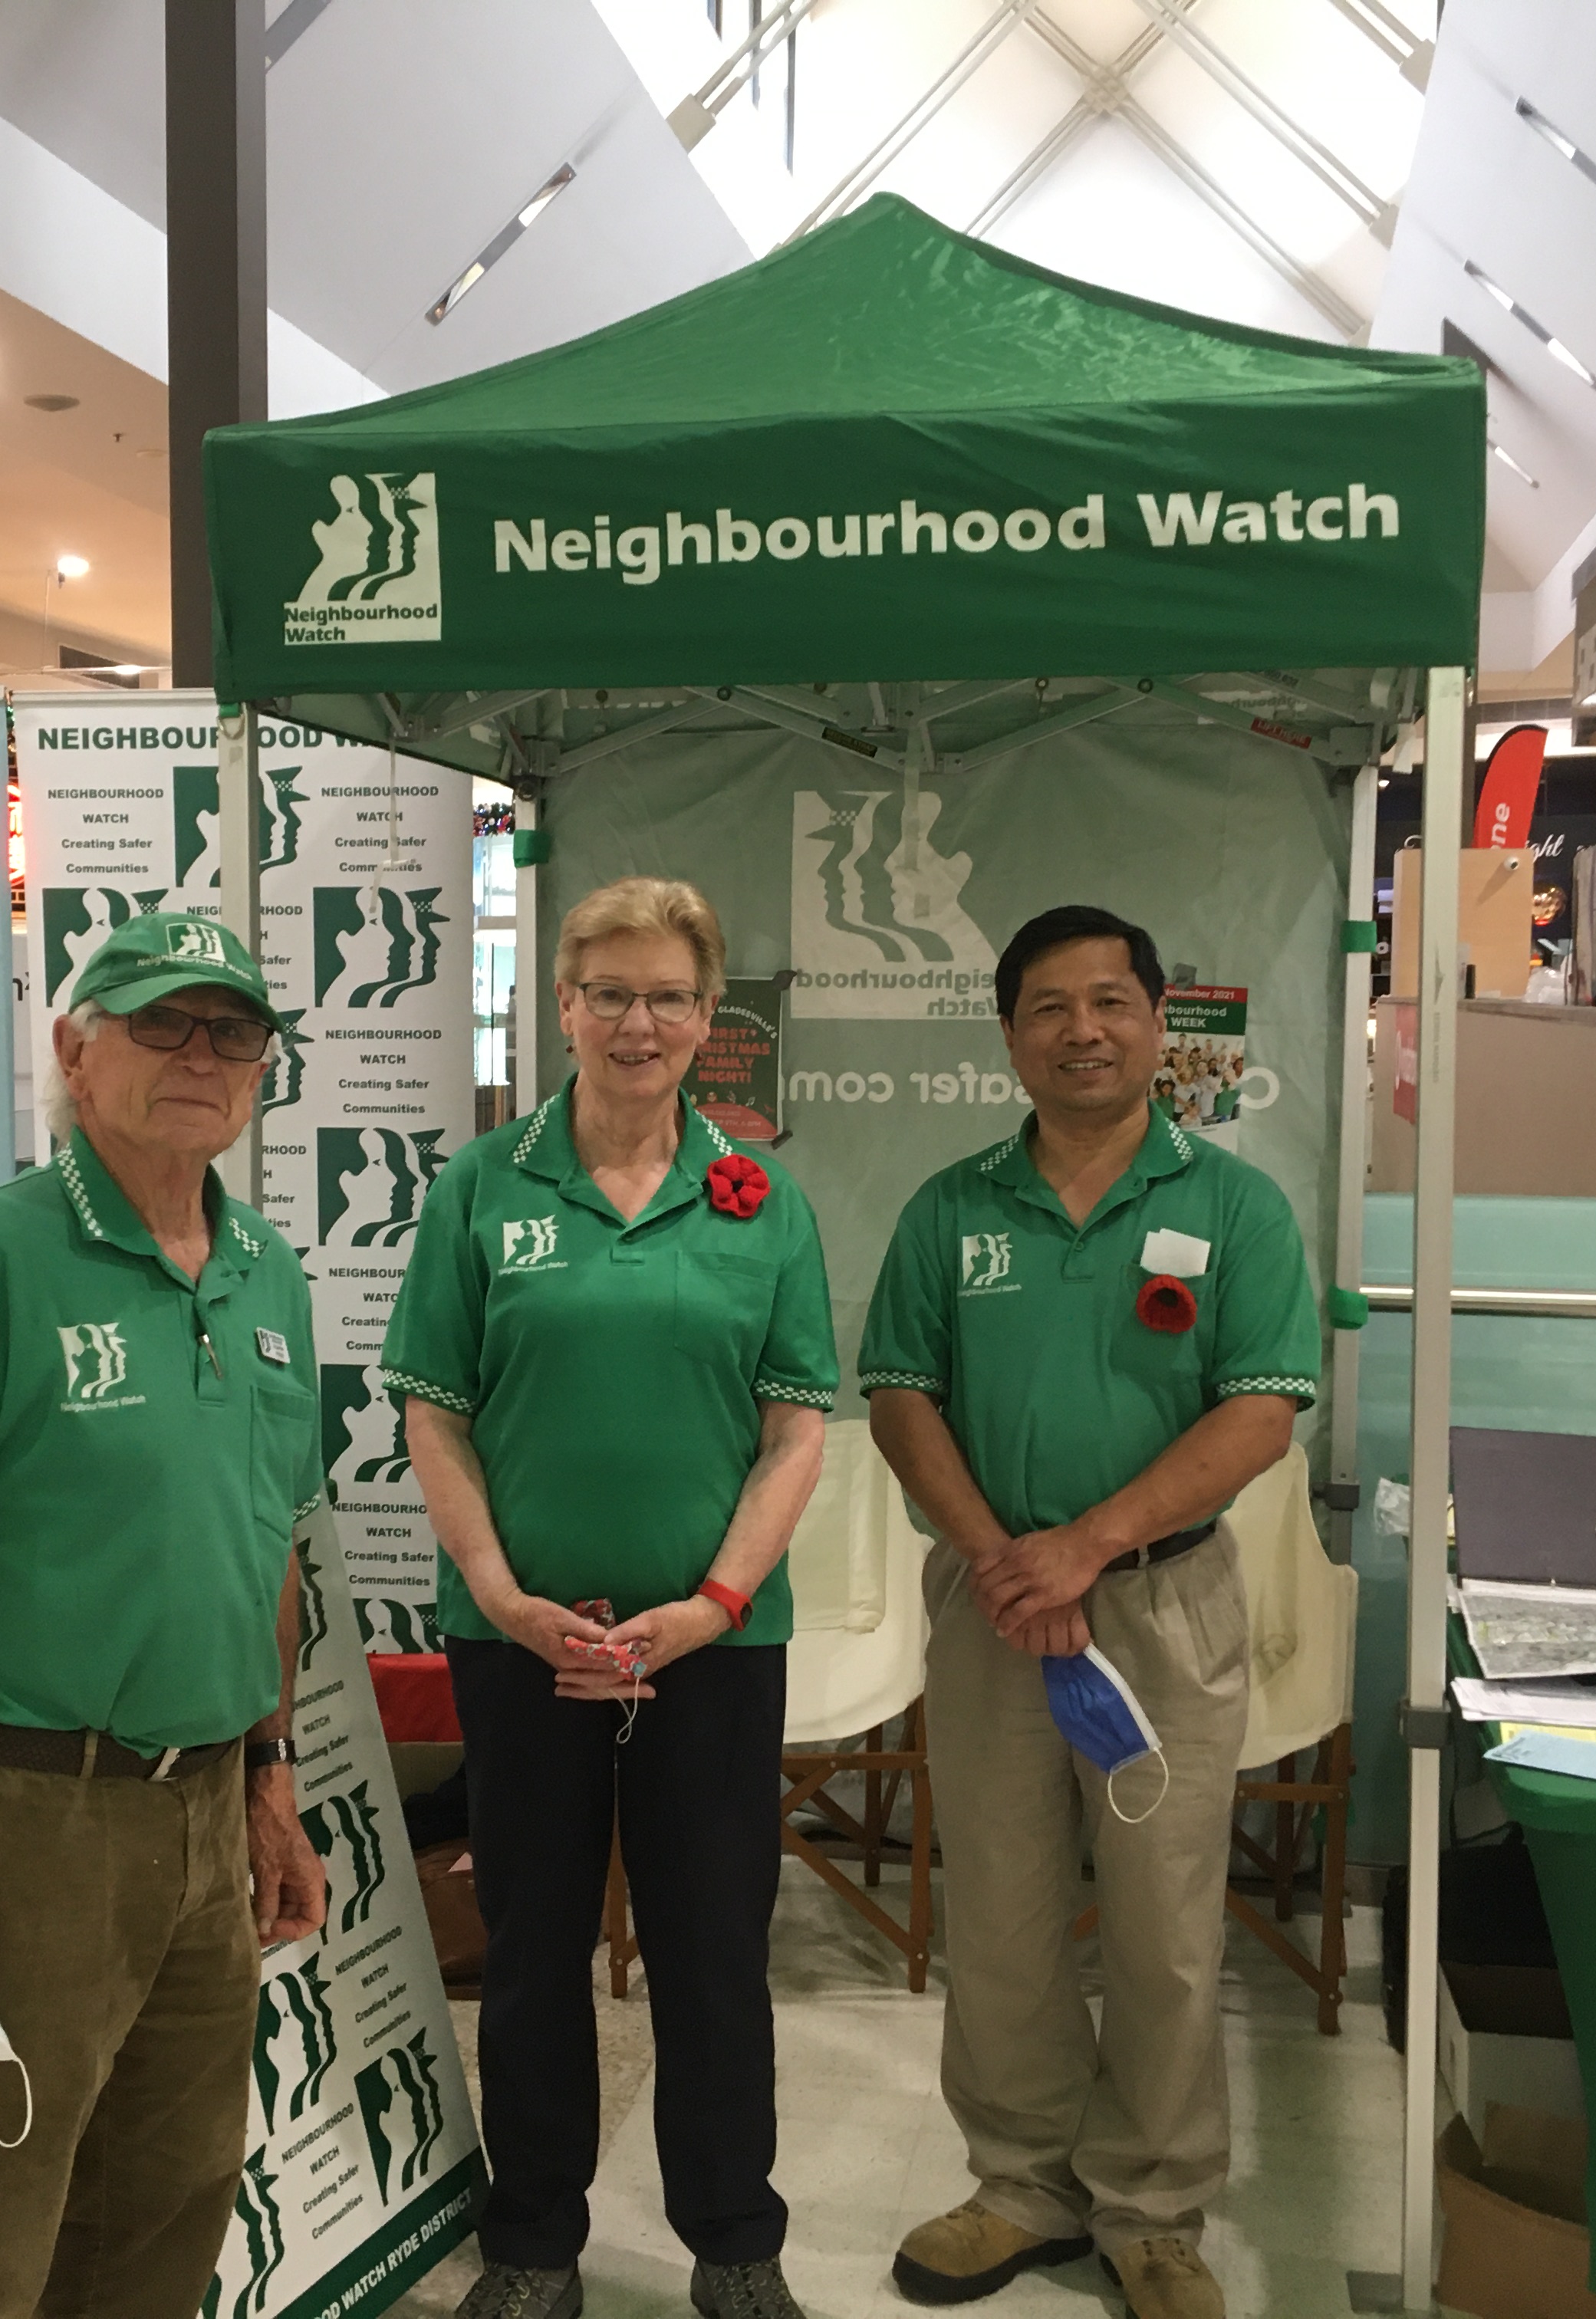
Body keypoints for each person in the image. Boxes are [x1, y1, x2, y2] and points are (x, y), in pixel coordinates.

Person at [0, 910, 329, 2319]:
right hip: (21, 1818)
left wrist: (269, 1780)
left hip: (203, 1816)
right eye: (160, 1020)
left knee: (162, 2218)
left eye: (232, 1031)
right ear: (74, 1048)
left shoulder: (267, 1273)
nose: (201, 1055)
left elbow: (264, 1548)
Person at [382, 875, 835, 2319]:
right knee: (529, 1952)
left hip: (710, 1646)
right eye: (610, 993)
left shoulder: (760, 1200)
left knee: (713, 1953)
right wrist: (503, 1593)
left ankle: (734, 2242)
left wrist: (711, 1600)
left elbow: (796, 1424)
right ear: (561, 1002)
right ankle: (531, 2245)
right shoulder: (481, 1188)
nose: (639, 1022)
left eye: (671, 997)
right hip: (523, 1645)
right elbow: (434, 1411)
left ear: (712, 1020)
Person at [863, 906, 1318, 2319]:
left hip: (1163, 1605)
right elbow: (898, 1393)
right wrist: (1009, 1558)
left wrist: (1089, 1546)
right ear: (1010, 1036)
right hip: (995, 1606)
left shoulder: (1234, 1207)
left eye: (1111, 1002)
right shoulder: (952, 1208)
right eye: (1049, 1007)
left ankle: (1156, 2209)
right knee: (996, 1910)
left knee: (1164, 1921)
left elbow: (1263, 1412)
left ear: (1157, 1021)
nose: (1083, 1030)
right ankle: (1019, 2185)